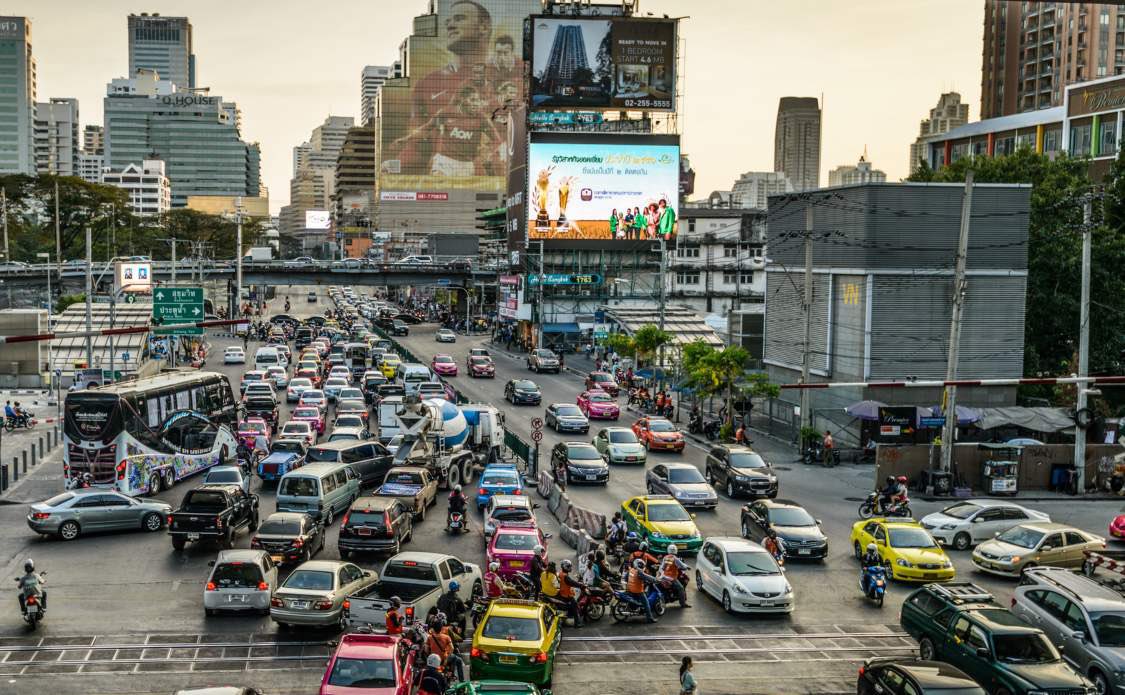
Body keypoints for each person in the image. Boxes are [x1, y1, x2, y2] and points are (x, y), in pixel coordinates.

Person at [626, 558, 657, 623]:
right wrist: (655, 580)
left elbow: (627, 578)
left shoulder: (631, 570)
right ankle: (650, 618)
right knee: (646, 603)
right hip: (637, 591)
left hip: (629, 589)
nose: (642, 567)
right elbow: (647, 577)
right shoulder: (639, 572)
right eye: (641, 566)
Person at [557, 558, 586, 627]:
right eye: (569, 566)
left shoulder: (561, 573)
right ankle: (577, 623)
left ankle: (569, 616)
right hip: (567, 595)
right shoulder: (565, 576)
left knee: (572, 605)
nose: (570, 568)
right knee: (575, 606)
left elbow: (571, 582)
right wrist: (580, 585)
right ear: (565, 567)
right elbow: (572, 582)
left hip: (563, 592)